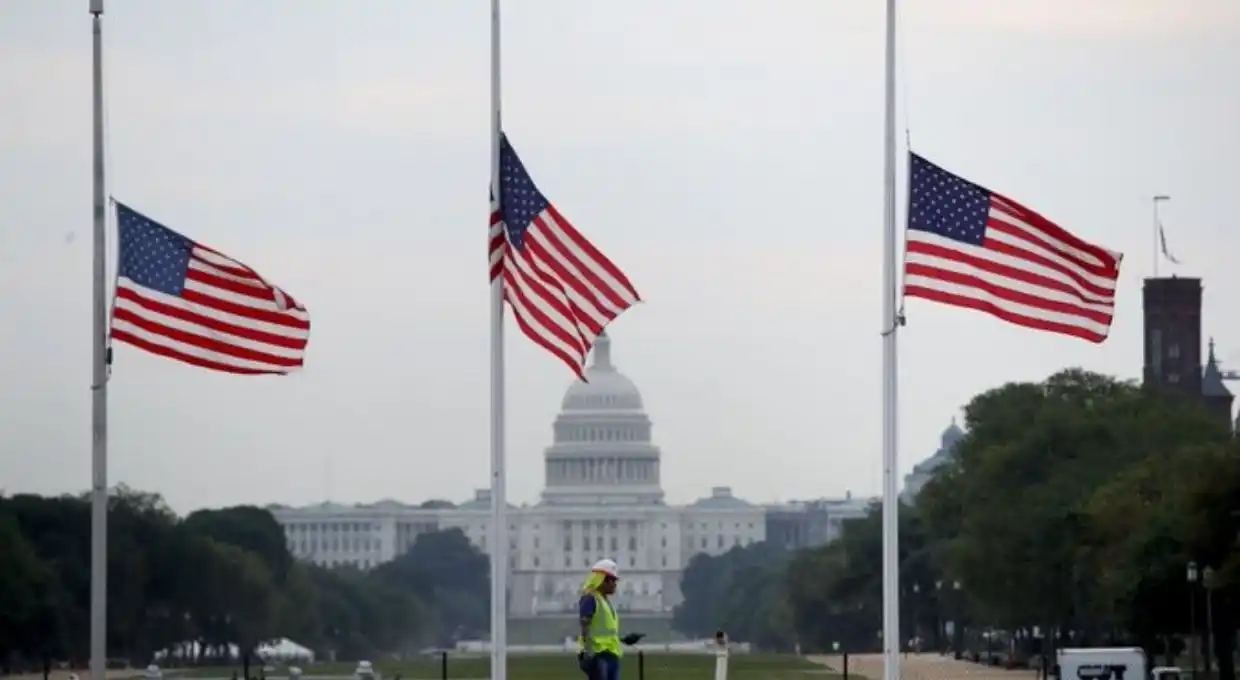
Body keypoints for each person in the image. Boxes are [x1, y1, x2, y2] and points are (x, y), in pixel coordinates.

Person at [578, 558, 644, 680]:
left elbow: (603, 631)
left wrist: (623, 639)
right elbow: (585, 625)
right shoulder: (590, 598)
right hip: (598, 656)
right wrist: (587, 652)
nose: (615, 584)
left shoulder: (605, 602)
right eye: (612, 580)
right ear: (601, 580)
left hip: (611, 655)